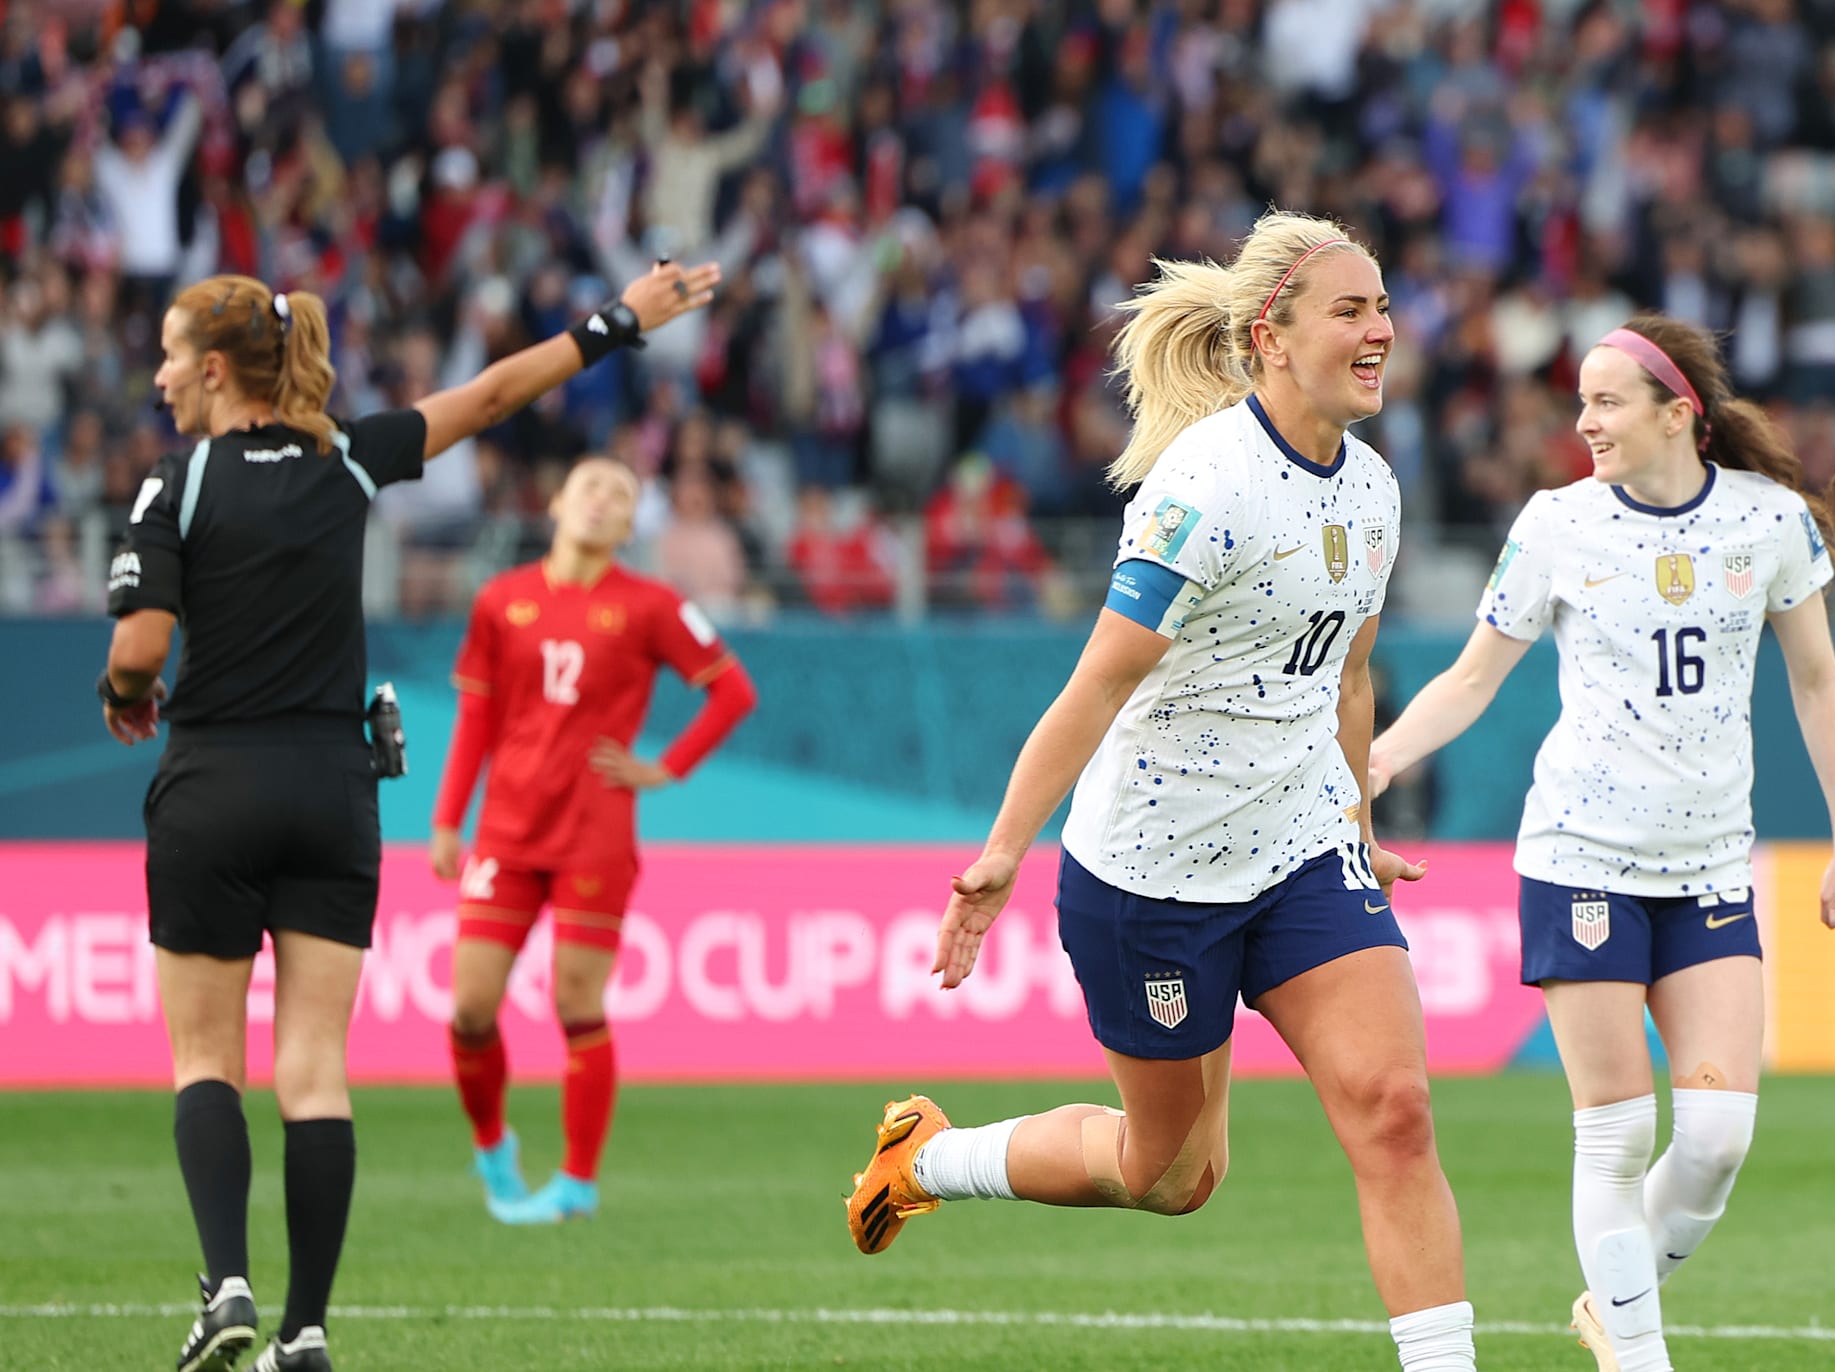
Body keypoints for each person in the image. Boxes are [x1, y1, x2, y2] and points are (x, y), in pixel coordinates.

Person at [840, 212, 1481, 1372]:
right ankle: (927, 1157)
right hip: (1153, 873)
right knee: (1170, 1175)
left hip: (1298, 850)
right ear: (1269, 337)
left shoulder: (1375, 489)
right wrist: (1000, 852)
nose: (1382, 329)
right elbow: (1096, 687)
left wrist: (1356, 819)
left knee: (1395, 1109)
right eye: (1352, 309)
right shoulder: (1204, 486)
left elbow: (1348, 679)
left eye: (1384, 306)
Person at [99, 259, 717, 1372]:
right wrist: (618, 322)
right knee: (316, 1073)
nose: (157, 378)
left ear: (212, 367)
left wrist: (124, 697)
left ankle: (227, 1280)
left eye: (168, 357)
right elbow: (488, 397)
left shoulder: (178, 481)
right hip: (334, 794)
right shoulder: (348, 458)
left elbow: (141, 648)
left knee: (205, 1058)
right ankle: (307, 1330)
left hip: (215, 783)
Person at [1369, 316, 1835, 1371]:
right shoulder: (1556, 523)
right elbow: (1469, 677)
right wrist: (1368, 767)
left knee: (1721, 1136)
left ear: (1676, 413)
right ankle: (1638, 1354)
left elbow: (1818, 681)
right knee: (1614, 1131)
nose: (1584, 420)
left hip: (1708, 869)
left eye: (1606, 401)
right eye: (1581, 401)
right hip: (1579, 861)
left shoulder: (1773, 521)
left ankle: (1613, 1298)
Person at [430, 456, 759, 1224]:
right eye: (590, 487)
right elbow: (476, 719)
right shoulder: (498, 602)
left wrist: (666, 767)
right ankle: (492, 1146)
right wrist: (448, 820)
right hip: (506, 832)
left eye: (622, 496)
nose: (604, 502)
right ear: (555, 500)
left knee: (576, 1000)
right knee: (469, 1009)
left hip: (594, 834)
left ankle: (577, 1180)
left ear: (628, 524)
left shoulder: (652, 605)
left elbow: (733, 691)